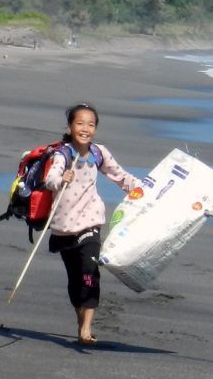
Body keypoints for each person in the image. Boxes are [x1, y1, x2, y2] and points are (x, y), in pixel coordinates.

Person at [41, 103, 143, 346]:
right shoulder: (62, 154)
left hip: (90, 223)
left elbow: (121, 176)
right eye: (80, 123)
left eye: (91, 124)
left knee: (90, 272)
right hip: (64, 227)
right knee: (75, 280)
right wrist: (60, 178)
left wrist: (145, 189)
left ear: (95, 129)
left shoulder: (99, 153)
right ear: (70, 127)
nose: (85, 128)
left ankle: (87, 328)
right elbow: (50, 179)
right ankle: (80, 321)